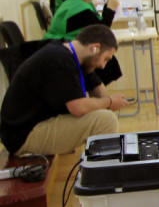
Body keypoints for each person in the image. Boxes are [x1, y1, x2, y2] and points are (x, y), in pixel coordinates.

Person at [1, 25, 127, 156]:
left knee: (107, 112)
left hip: (32, 127)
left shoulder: (73, 55)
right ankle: (103, 174)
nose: (102, 65)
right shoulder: (59, 60)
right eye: (106, 58)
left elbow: (96, 85)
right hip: (23, 136)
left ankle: (96, 167)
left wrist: (108, 103)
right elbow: (78, 107)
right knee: (105, 121)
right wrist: (109, 101)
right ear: (94, 48)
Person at [44, 0, 123, 85]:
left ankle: (99, 96)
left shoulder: (76, 3)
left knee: (103, 55)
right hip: (61, 55)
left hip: (59, 48)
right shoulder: (79, 9)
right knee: (103, 56)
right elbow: (101, 32)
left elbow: (97, 24)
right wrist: (110, 7)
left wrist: (108, 6)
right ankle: (99, 97)